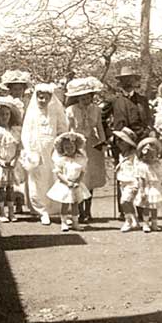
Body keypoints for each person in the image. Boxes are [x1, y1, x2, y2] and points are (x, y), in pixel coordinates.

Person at [21, 83, 68, 225]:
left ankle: (55, 208)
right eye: (40, 97)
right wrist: (29, 150)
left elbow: (62, 128)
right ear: (36, 97)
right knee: (38, 179)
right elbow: (26, 132)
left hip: (52, 149)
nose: (43, 100)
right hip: (37, 148)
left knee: (53, 177)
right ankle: (42, 210)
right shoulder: (32, 113)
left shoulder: (55, 111)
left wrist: (60, 145)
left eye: (46, 98)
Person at [112, 66, 152, 219]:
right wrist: (110, 136)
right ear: (120, 83)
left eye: (130, 79)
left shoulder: (142, 100)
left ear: (135, 81)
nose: (127, 83)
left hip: (141, 141)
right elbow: (102, 118)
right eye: (124, 80)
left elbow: (148, 119)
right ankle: (125, 211)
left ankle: (141, 209)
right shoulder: (115, 100)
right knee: (124, 176)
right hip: (122, 143)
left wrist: (147, 133)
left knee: (141, 174)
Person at [65, 77, 107, 223]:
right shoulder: (70, 110)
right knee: (78, 175)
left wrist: (103, 142)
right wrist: (68, 147)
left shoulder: (96, 109)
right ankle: (79, 210)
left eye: (88, 97)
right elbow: (68, 129)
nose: (86, 100)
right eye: (83, 98)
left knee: (90, 177)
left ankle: (88, 210)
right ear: (77, 98)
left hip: (92, 144)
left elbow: (99, 127)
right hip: (76, 144)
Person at [0, 69, 32, 214]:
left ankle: (22, 201)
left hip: (26, 133)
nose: (18, 91)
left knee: (24, 168)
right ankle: (13, 202)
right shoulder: (5, 102)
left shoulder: (28, 102)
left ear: (24, 89)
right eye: (15, 89)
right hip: (11, 133)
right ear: (9, 89)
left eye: (20, 89)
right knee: (12, 167)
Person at [47, 131, 90, 232]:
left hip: (76, 184)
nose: (69, 149)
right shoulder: (62, 160)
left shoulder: (80, 159)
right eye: (66, 148)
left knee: (75, 204)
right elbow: (59, 174)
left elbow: (82, 171)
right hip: (65, 184)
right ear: (62, 149)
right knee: (65, 204)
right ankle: (64, 222)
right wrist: (67, 182)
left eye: (71, 147)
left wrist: (78, 181)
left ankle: (75, 222)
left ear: (76, 147)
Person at [134, 137, 162, 233]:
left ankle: (154, 223)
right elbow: (142, 179)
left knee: (154, 207)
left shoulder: (157, 165)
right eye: (147, 156)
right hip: (147, 188)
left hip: (156, 188)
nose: (150, 158)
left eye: (152, 156)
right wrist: (142, 190)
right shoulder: (142, 166)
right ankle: (146, 223)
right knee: (146, 207)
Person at [113, 127, 139, 232]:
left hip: (132, 182)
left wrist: (139, 181)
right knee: (128, 203)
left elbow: (137, 168)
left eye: (122, 141)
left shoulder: (134, 155)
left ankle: (128, 221)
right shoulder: (122, 155)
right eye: (118, 140)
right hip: (123, 181)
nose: (119, 143)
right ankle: (135, 221)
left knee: (124, 201)